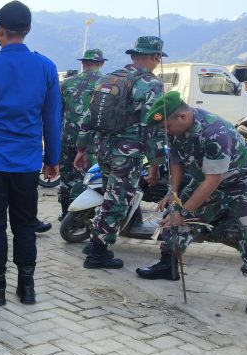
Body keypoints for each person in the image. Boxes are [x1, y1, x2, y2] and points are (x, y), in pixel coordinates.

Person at [0, 0, 61, 307]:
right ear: (27, 30)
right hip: (27, 163)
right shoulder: (46, 67)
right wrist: (52, 160)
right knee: (25, 224)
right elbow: (52, 119)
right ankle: (27, 288)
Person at [136, 92, 247, 304]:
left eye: (167, 127)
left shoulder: (216, 132)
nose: (165, 132)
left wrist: (185, 211)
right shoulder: (177, 132)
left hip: (242, 182)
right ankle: (167, 265)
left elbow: (213, 181)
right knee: (172, 217)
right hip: (206, 179)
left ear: (182, 117)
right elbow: (177, 162)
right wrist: (173, 193)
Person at [74, 36, 166, 268]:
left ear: (134, 55)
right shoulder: (151, 84)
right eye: (158, 58)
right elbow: (151, 127)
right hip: (126, 154)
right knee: (117, 202)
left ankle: (96, 237)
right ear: (155, 57)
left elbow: (89, 116)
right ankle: (98, 252)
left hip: (101, 149)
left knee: (108, 196)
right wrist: (155, 164)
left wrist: (82, 149)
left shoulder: (109, 77)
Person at [58, 49, 106, 221]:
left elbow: (59, 111)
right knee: (84, 177)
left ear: (84, 63)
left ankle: (64, 211)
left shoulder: (67, 83)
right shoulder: (106, 83)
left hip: (66, 137)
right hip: (89, 141)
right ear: (101, 64)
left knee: (66, 175)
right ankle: (76, 217)